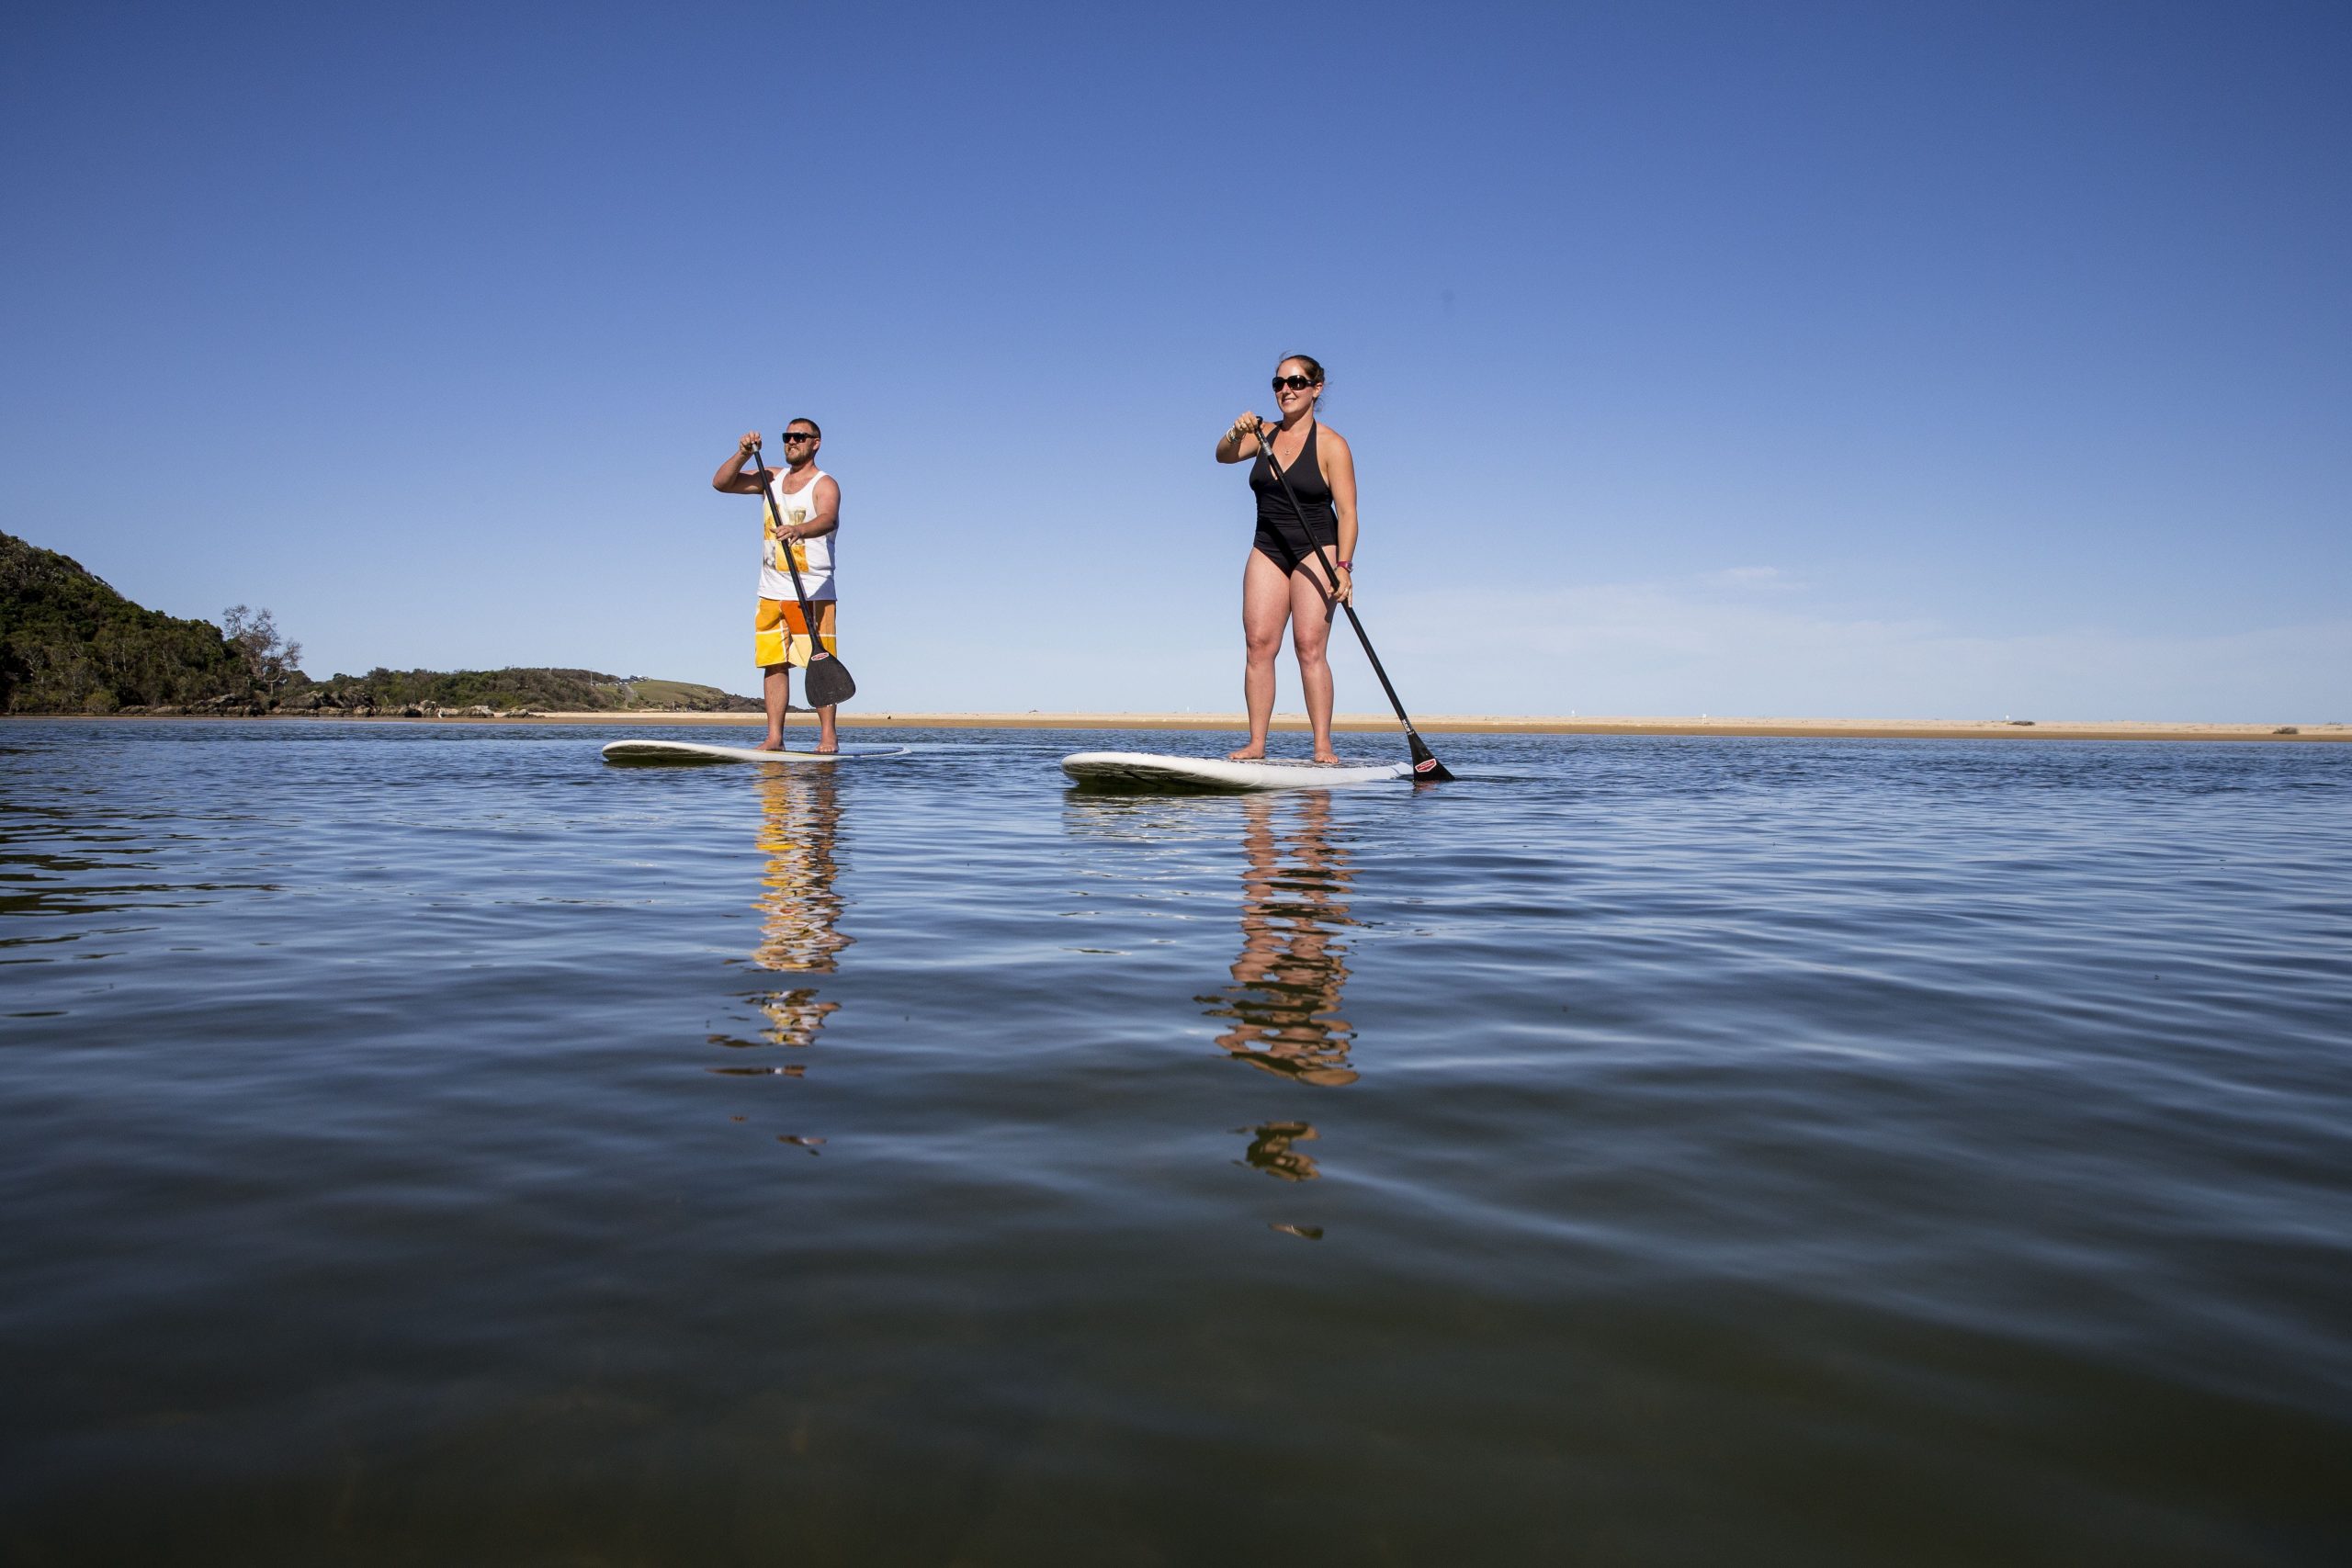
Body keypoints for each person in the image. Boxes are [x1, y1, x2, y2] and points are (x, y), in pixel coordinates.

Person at [1214, 355, 1357, 762]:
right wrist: (1234, 430)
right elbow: (1222, 455)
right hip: (1268, 546)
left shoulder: (1332, 445)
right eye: (1278, 383)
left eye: (1296, 382)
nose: (1286, 390)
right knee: (1259, 644)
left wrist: (1344, 569)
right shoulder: (1261, 433)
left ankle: (1322, 746)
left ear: (1316, 388)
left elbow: (1348, 513)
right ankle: (1257, 743)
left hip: (1317, 548)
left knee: (1309, 646)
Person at [711, 420, 841, 752]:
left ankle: (828, 737)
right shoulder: (771, 477)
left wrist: (801, 530)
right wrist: (742, 454)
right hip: (770, 590)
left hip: (811, 590)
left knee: (818, 660)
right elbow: (722, 484)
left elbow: (828, 518)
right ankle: (774, 738)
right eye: (787, 437)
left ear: (816, 443)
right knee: (774, 663)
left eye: (800, 437)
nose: (792, 442)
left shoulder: (824, 484)